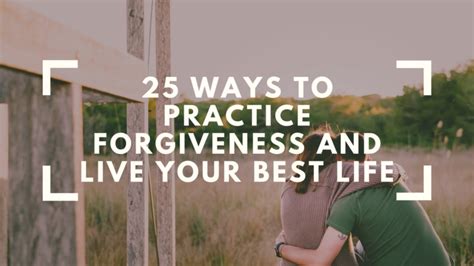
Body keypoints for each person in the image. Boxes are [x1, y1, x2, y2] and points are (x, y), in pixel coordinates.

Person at [276, 132, 451, 266]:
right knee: (360, 248)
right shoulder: (382, 180)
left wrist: (280, 247)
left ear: (338, 160)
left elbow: (320, 260)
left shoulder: (349, 199)